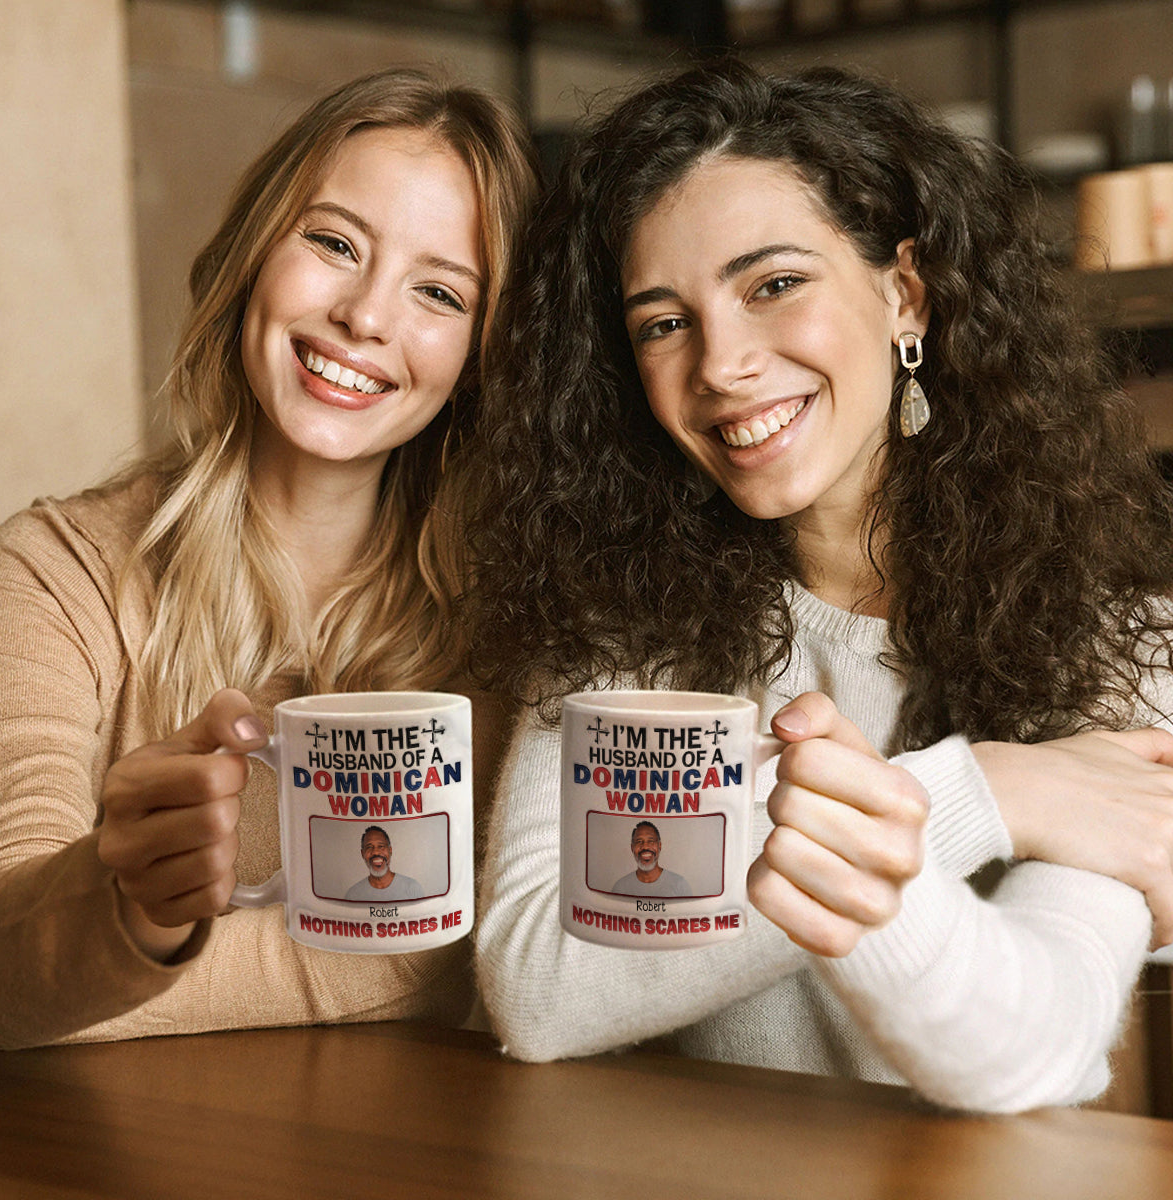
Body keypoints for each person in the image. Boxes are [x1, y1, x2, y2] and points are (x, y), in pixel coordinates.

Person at [464, 60, 1173, 1113]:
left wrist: (900, 808)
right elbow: (536, 989)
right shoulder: (620, 630)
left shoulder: (1119, 635)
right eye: (663, 322)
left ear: (906, 294)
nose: (721, 363)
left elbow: (1031, 1046)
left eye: (773, 285)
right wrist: (982, 793)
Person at [0, 68, 537, 1050]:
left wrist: (116, 976)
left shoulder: (514, 623)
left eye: (439, 292)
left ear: (482, 354)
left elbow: (477, 942)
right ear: (252, 257)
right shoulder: (48, 576)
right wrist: (134, 908)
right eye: (332, 243)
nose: (366, 315)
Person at [612, 821, 692, 897]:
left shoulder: (680, 885)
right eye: (639, 841)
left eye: (651, 841)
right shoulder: (620, 888)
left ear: (659, 846)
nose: (645, 846)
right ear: (632, 848)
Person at [344, 825, 424, 901]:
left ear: (390, 850)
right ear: (362, 854)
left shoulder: (412, 888)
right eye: (369, 847)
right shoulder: (353, 895)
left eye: (381, 846)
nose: (375, 852)